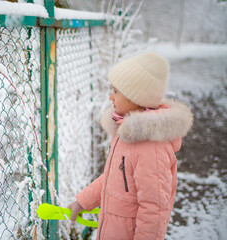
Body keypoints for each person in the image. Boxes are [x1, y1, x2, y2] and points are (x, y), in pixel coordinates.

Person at [68, 52, 193, 239]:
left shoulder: (151, 147)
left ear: (137, 98)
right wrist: (83, 202)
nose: (111, 97)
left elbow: (154, 210)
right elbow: (115, 178)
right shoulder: (125, 131)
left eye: (116, 91)